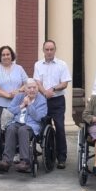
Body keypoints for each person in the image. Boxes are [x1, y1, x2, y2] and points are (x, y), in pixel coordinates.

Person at [0, 79, 47, 173]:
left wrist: (30, 105)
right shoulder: (19, 97)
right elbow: (10, 110)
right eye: (29, 87)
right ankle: (6, 160)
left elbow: (39, 117)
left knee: (23, 130)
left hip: (31, 125)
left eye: (34, 87)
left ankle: (25, 161)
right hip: (17, 122)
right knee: (10, 128)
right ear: (25, 89)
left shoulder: (41, 100)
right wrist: (22, 105)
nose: (32, 90)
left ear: (38, 88)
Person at [34, 40, 71, 169]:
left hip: (58, 100)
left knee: (60, 127)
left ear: (55, 50)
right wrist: (44, 92)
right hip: (43, 100)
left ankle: (61, 157)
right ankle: (47, 152)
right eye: (47, 49)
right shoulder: (38, 65)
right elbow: (37, 82)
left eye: (51, 49)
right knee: (42, 127)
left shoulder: (62, 64)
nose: (49, 52)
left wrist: (52, 90)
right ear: (43, 50)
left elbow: (65, 83)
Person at [0, 45, 28, 151]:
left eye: (8, 54)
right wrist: (7, 95)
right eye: (3, 55)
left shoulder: (19, 68)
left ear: (12, 55)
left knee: (16, 127)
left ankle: (16, 152)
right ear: (0, 57)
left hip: (17, 105)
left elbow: (27, 83)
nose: (6, 56)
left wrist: (18, 91)